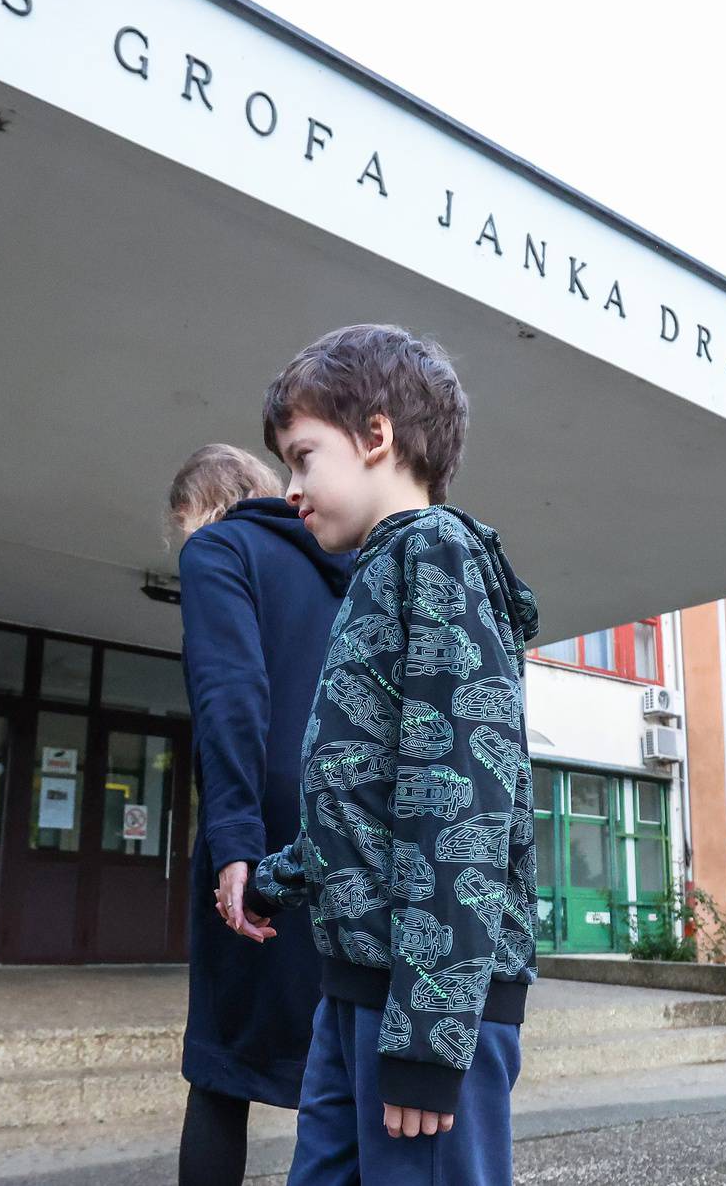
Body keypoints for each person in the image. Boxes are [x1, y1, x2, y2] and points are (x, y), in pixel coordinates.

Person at [224, 324, 541, 1186]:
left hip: (428, 1001)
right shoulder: (378, 570)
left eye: (301, 457)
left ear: (375, 437)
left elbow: (460, 802)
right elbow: (360, 800)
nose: (289, 488)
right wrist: (269, 879)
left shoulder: (435, 554)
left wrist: (431, 1042)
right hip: (359, 982)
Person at [171, 444, 353, 1186]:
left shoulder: (219, 548)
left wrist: (234, 840)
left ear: (207, 505)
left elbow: (231, 696)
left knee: (220, 1063)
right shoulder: (346, 568)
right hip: (346, 830)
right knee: (338, 1057)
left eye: (182, 523)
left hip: (263, 824)